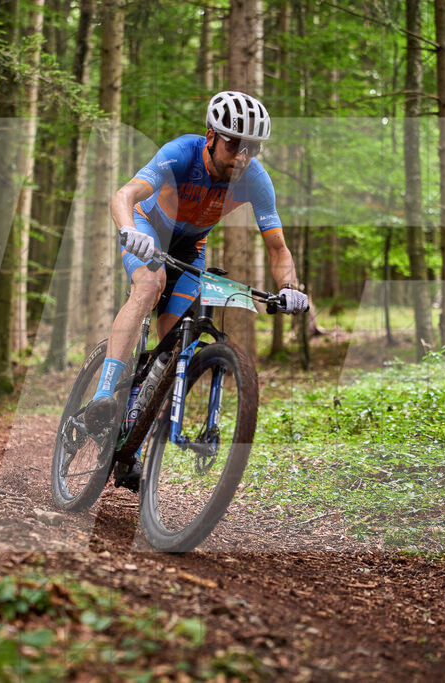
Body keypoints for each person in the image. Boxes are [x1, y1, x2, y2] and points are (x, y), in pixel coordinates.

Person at [86, 91, 309, 490]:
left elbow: (278, 248)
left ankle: (132, 447)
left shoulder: (256, 179)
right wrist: (129, 231)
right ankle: (104, 394)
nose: (242, 156)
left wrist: (289, 288)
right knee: (150, 285)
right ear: (211, 136)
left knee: (174, 349)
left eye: (252, 148)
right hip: (148, 228)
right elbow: (124, 196)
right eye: (234, 143)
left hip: (190, 249)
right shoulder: (181, 154)